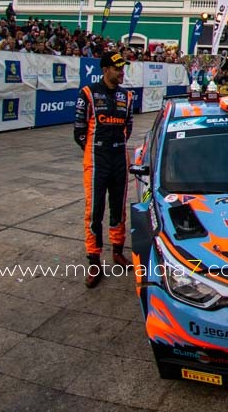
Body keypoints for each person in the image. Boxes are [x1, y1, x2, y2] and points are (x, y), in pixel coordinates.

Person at [73, 52, 134, 288]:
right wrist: (95, 149)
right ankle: (94, 259)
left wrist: (115, 146)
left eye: (122, 68)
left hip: (119, 158)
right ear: (105, 70)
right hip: (96, 160)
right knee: (94, 211)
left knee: (118, 208)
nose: (121, 72)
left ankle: (117, 250)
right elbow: (79, 130)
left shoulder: (126, 96)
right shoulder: (88, 93)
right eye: (117, 69)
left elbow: (128, 127)